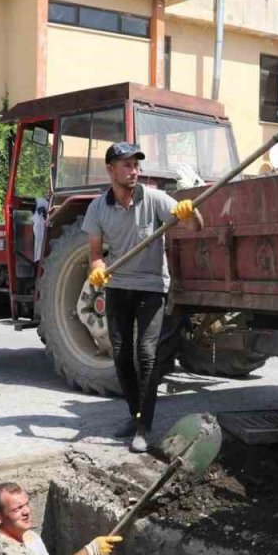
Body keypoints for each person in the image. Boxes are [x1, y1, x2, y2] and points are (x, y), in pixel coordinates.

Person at [84, 142, 204, 453]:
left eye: (136, 164)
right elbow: (96, 255)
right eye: (126, 164)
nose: (134, 170)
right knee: (121, 354)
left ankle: (143, 425)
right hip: (119, 285)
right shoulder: (98, 208)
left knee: (146, 354)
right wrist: (97, 271)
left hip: (151, 286)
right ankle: (135, 413)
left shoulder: (154, 199)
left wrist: (189, 213)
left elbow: (195, 226)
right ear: (111, 170)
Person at [0, 482, 121, 555]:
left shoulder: (31, 537)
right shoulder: (2, 550)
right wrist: (90, 551)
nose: (27, 511)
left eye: (26, 504)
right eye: (17, 509)